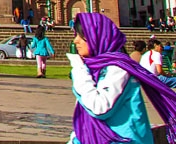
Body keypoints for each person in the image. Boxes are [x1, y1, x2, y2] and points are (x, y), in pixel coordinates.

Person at [67, 12, 176, 144]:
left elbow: (99, 107)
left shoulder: (118, 69)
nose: (75, 40)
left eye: (81, 35)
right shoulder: (96, 69)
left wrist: (78, 69)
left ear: (96, 36)